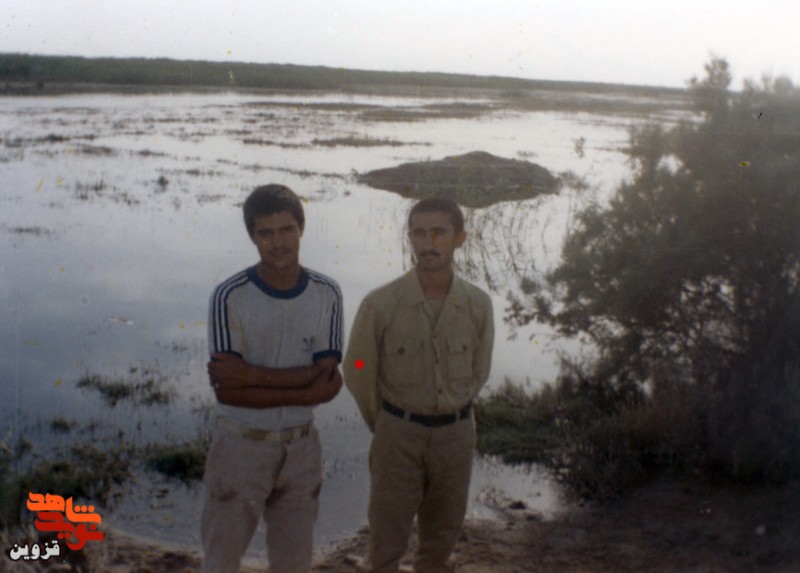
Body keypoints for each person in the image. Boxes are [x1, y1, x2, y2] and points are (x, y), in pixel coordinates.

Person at [344, 197, 494, 573]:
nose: (429, 243)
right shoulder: (380, 305)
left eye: (439, 233)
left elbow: (480, 370)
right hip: (398, 436)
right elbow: (357, 367)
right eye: (419, 233)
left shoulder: (478, 305)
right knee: (385, 544)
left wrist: (454, 406)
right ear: (410, 238)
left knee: (441, 543)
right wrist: (385, 422)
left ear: (459, 238)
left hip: (456, 437)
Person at [202, 184, 343, 573]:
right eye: (265, 233)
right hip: (240, 448)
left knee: (294, 563)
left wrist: (249, 375)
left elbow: (329, 381)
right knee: (220, 561)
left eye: (286, 230)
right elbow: (229, 393)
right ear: (252, 236)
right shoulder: (229, 296)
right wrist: (305, 388)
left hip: (301, 451)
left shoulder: (326, 293)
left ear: (301, 229)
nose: (277, 243)